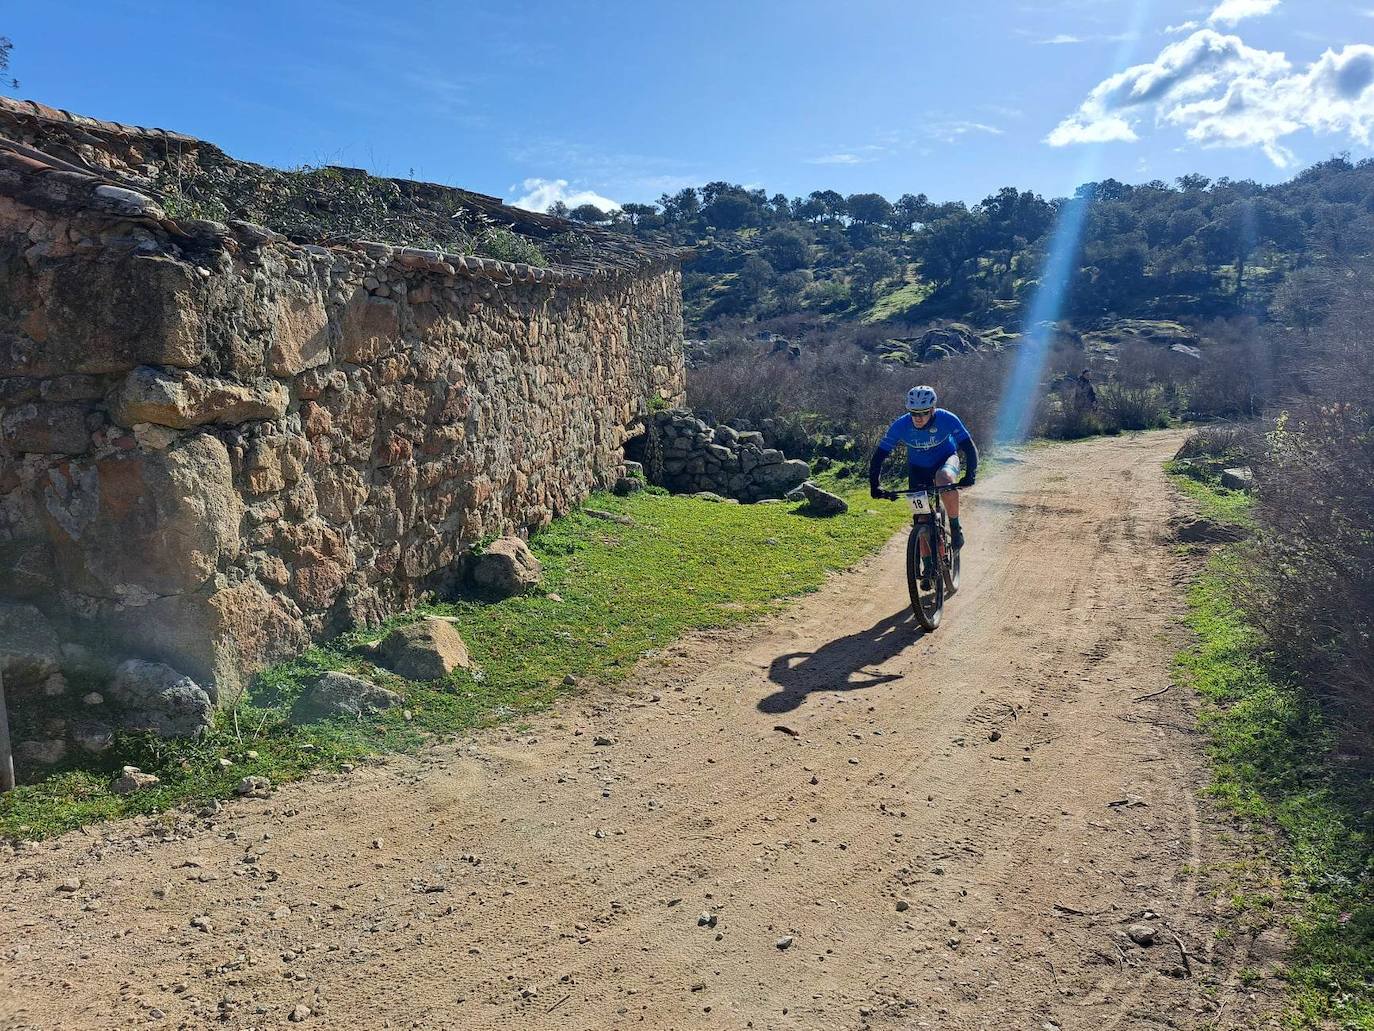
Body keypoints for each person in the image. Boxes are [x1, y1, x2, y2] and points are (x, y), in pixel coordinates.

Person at [868, 385, 978, 559]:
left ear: (933, 409)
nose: (918, 418)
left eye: (924, 413)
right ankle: (927, 567)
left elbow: (969, 447)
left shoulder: (946, 418)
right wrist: (875, 485)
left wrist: (970, 475)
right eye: (913, 413)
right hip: (918, 469)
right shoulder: (901, 425)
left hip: (946, 460)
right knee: (921, 519)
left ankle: (955, 527)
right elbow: (879, 456)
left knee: (944, 479)